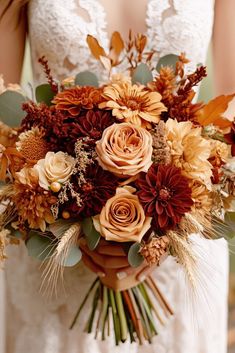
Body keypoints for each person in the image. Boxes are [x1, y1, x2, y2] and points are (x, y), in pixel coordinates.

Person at [0, 0, 232, 352]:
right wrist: (70, 215)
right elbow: (4, 115)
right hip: (53, 243)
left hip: (180, 247)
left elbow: (231, 111)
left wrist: (161, 236)